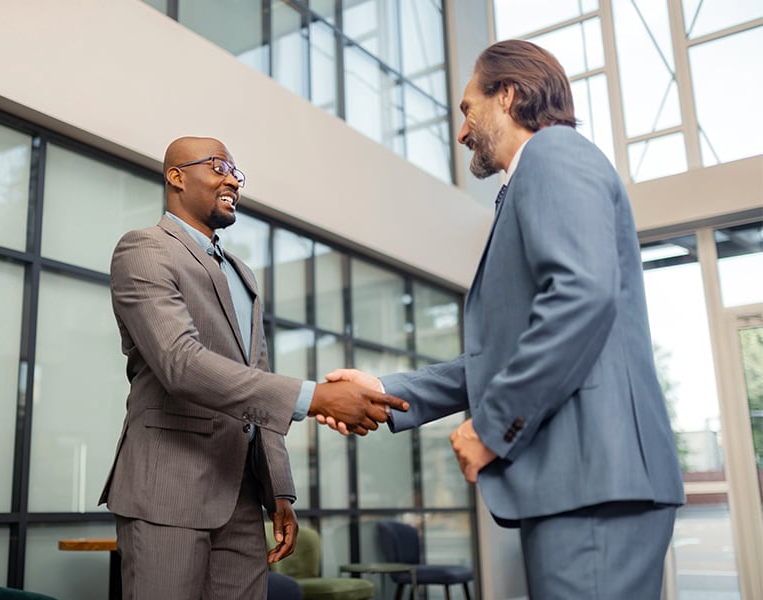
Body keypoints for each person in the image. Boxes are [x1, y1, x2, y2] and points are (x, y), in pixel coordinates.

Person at [324, 40, 685, 599]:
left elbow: (581, 296)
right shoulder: (533, 177)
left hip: (591, 482)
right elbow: (502, 354)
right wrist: (385, 388)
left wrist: (492, 427)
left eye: (468, 109)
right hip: (582, 484)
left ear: (508, 95)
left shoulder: (553, 155)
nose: (462, 130)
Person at [99, 135, 408, 600]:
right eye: (219, 166)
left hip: (240, 497)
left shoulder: (241, 274)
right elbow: (180, 363)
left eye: (236, 172)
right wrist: (313, 397)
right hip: (167, 491)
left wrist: (278, 490)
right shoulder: (143, 249)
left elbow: (255, 381)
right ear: (176, 177)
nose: (232, 180)